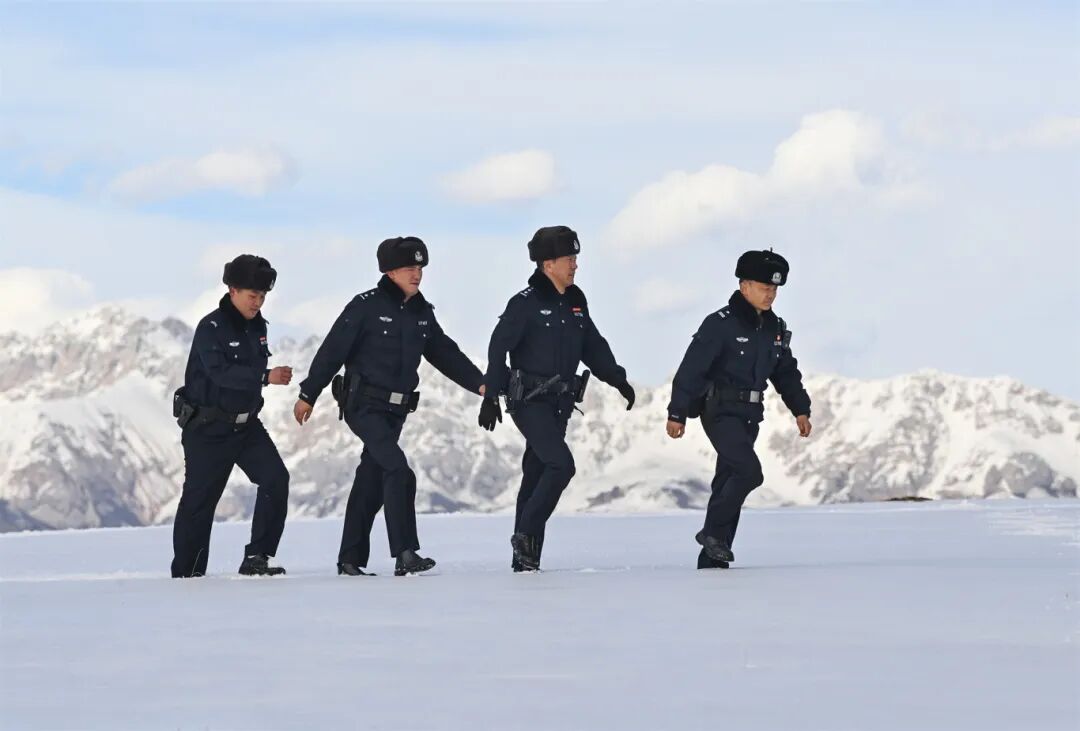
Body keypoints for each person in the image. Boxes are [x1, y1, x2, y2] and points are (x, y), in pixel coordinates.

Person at [294, 236, 485, 576]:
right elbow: (332, 350)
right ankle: (405, 553)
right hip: (362, 407)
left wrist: (481, 384)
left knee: (371, 479)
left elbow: (446, 354)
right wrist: (309, 393)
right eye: (410, 268)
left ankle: (349, 559)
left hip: (396, 413)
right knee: (398, 470)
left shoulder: (422, 313)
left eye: (420, 267)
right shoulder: (365, 306)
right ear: (391, 271)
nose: (417, 274)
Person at [479, 226, 635, 571]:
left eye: (576, 258)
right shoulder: (524, 303)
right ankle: (526, 534)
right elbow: (498, 346)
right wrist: (491, 394)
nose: (575, 265)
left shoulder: (576, 301)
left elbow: (592, 345)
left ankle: (526, 558)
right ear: (547, 264)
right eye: (569, 259)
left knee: (536, 473)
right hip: (529, 401)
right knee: (561, 465)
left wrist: (617, 379)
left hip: (560, 405)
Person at [666, 249, 812, 569]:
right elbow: (692, 369)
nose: (770, 294)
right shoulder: (720, 324)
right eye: (764, 287)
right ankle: (712, 534)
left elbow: (785, 372)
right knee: (749, 472)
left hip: (750, 415)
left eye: (774, 289)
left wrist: (800, 408)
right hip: (719, 411)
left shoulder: (774, 328)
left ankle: (712, 560)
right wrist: (677, 413)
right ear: (744, 286)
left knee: (728, 479)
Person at [171, 255, 293, 578]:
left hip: (246, 427)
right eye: (252, 296)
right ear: (232, 290)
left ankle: (257, 558)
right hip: (208, 429)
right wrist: (265, 377)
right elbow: (221, 373)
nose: (258, 302)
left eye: (263, 296)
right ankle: (187, 576)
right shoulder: (210, 328)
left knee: (276, 480)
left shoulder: (259, 328)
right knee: (200, 504)